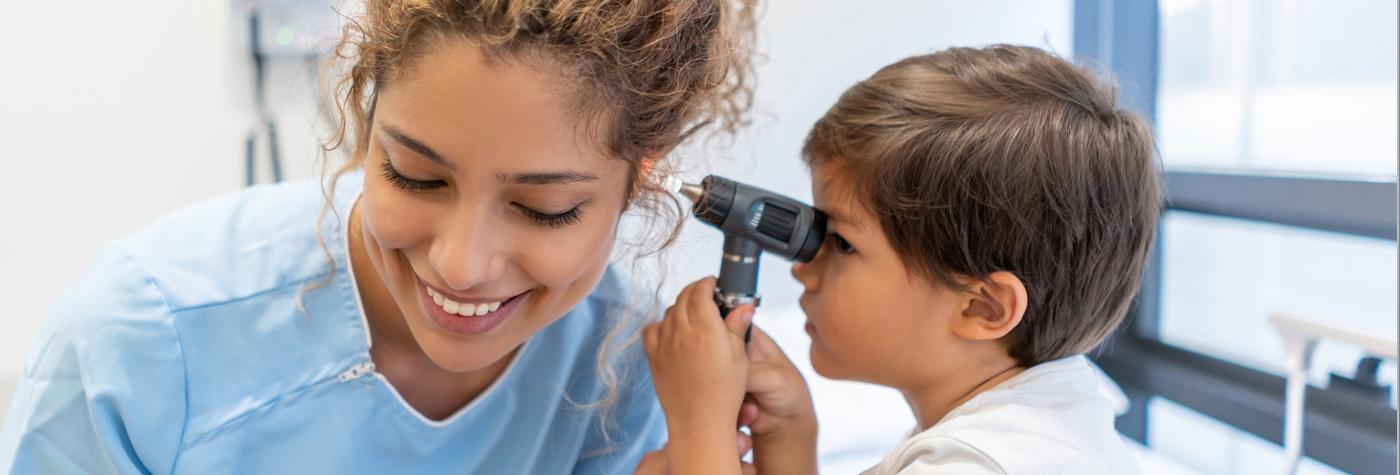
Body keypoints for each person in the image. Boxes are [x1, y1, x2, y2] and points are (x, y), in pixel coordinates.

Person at [0, 0, 756, 472]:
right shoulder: (141, 339)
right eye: (414, 176)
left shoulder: (622, 372)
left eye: (544, 207)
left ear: (641, 179)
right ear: (365, 116)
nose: (461, 263)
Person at [639, 45, 1160, 474]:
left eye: (842, 242)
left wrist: (699, 429)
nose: (802, 267)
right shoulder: (1038, 429)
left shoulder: (980, 466)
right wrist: (793, 440)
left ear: (983, 307)